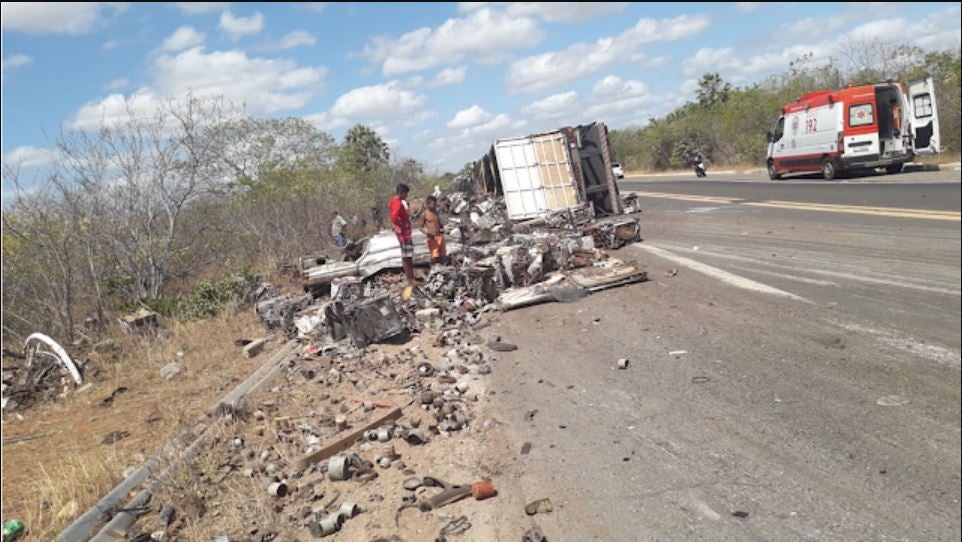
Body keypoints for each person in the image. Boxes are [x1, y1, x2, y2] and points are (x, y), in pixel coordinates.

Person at [389, 183, 415, 298]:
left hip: (403, 232)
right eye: (406, 193)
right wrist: (402, 224)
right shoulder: (397, 203)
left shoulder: (393, 201)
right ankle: (410, 279)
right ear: (401, 193)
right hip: (403, 233)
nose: (406, 196)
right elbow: (394, 217)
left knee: (407, 255)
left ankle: (410, 278)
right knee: (406, 256)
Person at [420, 195, 446, 265]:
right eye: (433, 204)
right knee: (434, 255)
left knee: (442, 254)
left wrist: (444, 229)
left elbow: (440, 224)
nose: (435, 205)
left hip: (440, 235)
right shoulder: (425, 214)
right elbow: (420, 227)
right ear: (428, 204)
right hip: (432, 237)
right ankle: (434, 267)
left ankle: (442, 268)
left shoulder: (436, 212)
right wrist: (427, 233)